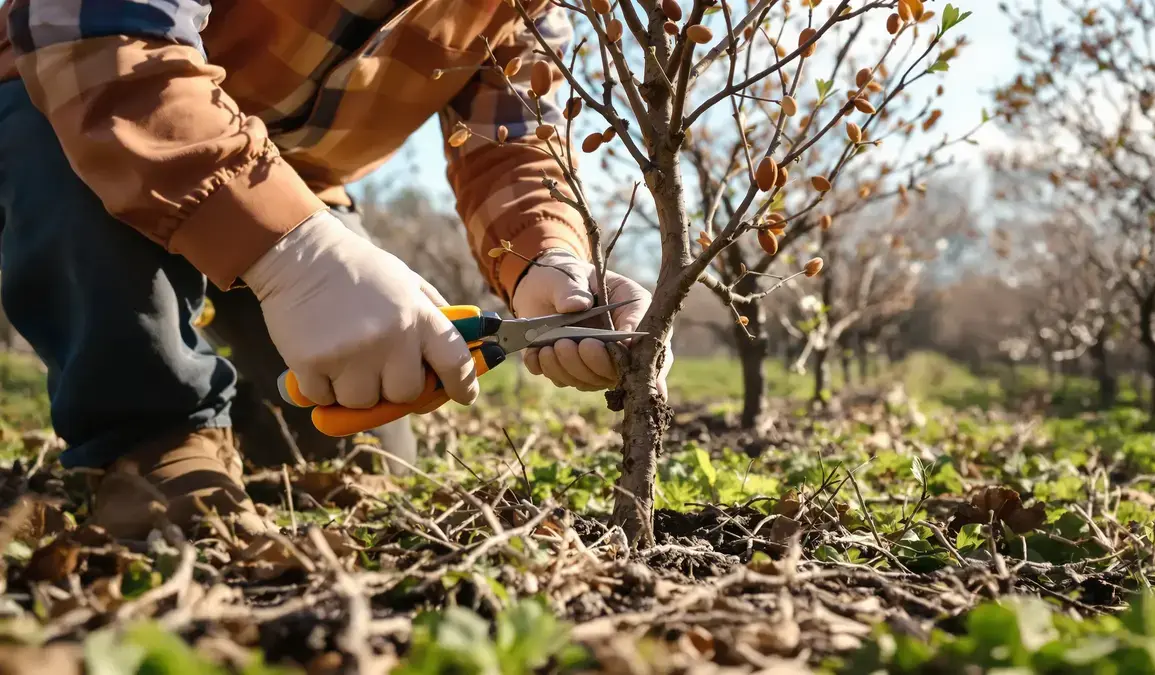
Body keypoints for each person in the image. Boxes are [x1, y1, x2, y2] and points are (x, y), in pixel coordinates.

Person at [0, 0, 672, 539]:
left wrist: (548, 264)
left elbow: (516, 149)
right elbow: (105, 43)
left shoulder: (521, 11)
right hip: (63, 110)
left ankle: (229, 409)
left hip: (299, 188)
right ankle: (147, 438)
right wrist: (294, 257)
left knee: (363, 445)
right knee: (60, 139)